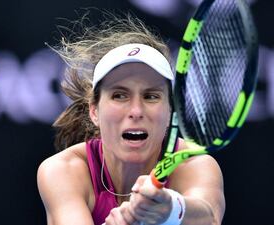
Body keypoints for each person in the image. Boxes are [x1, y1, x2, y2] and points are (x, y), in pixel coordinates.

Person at [37, 11, 225, 225]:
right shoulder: (63, 171)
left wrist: (171, 210)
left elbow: (209, 218)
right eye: (119, 95)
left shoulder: (194, 164)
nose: (136, 110)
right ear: (94, 111)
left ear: (169, 112)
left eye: (151, 96)